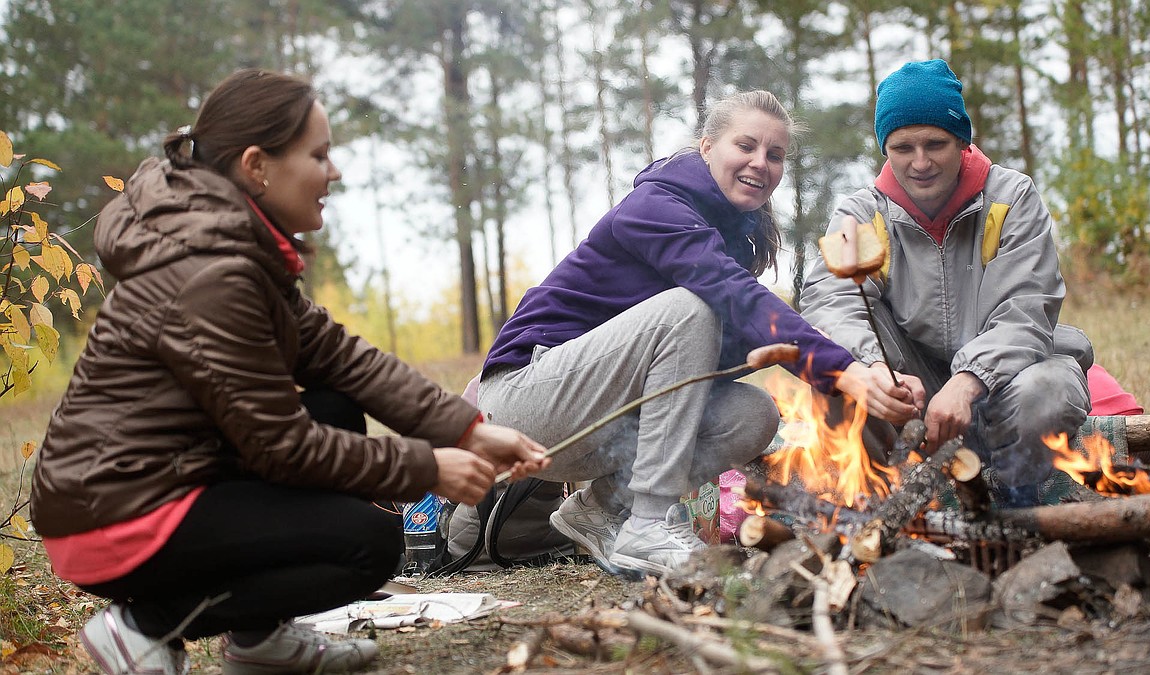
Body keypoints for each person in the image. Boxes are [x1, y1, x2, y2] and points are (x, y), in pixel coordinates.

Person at [29, 69, 548, 675]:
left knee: (333, 404)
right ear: (257, 165)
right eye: (319, 155)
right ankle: (143, 627)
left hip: (157, 479)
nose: (335, 172)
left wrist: (465, 430)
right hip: (117, 511)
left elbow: (336, 354)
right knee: (368, 545)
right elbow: (280, 448)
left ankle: (259, 641)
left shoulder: (231, 243)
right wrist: (427, 467)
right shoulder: (211, 271)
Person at [476, 90, 919, 577]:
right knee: (694, 307)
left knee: (752, 414)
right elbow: (733, 299)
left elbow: (741, 338)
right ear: (707, 147)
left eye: (775, 154)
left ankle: (603, 510)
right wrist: (842, 372)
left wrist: (867, 372)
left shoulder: (730, 231)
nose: (760, 163)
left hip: (595, 414)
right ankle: (647, 521)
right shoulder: (656, 205)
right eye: (745, 145)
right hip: (529, 401)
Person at [799, 59, 1093, 505]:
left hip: (1003, 383)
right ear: (885, 148)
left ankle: (1019, 501)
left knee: (1047, 391)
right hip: (910, 396)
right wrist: (875, 370)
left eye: (935, 143)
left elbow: (1027, 308)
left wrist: (970, 379)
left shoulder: (1011, 198)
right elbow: (830, 302)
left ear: (961, 140)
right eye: (902, 147)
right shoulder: (861, 213)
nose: (920, 163)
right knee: (836, 378)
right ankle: (884, 506)